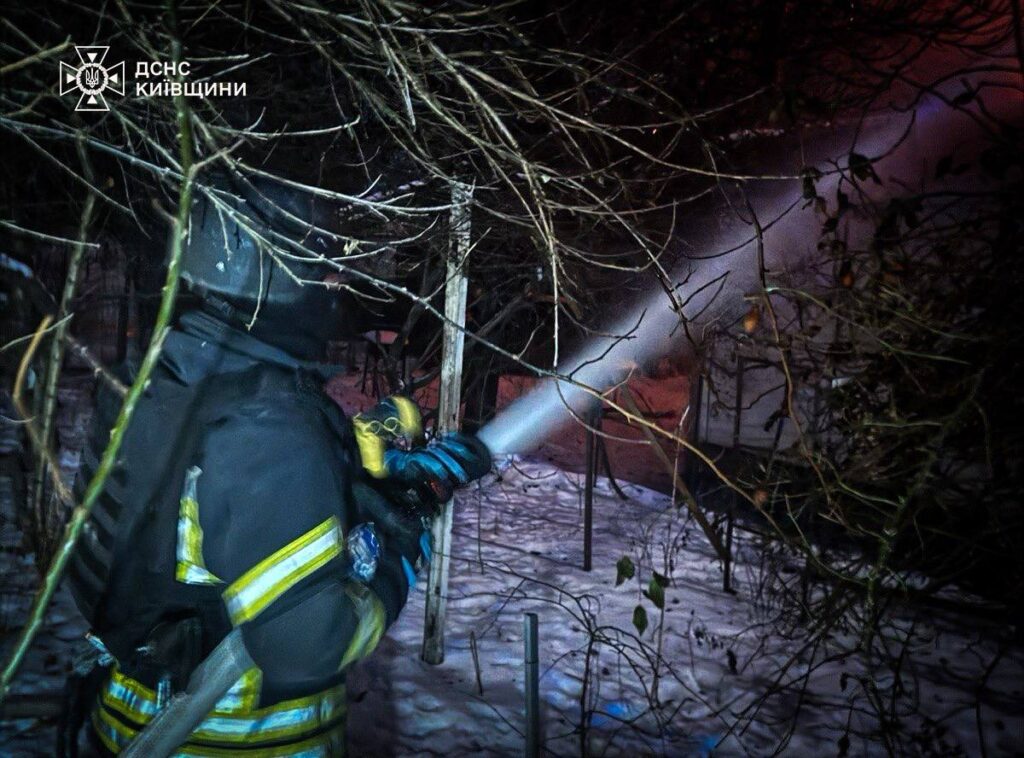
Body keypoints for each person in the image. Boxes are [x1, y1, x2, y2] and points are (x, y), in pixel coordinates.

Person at [63, 175, 491, 756]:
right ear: (279, 278)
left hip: (131, 717)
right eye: (323, 270)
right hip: (236, 739)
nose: (335, 287)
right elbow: (306, 648)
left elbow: (200, 536)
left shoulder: (167, 376)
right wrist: (398, 545)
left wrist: (357, 485)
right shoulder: (269, 423)